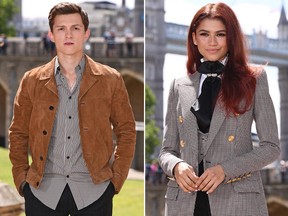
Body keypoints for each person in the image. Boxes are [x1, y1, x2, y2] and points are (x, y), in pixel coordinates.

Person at [9, 2, 136, 216]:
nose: (68, 34)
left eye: (75, 28)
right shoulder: (31, 80)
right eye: (61, 29)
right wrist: (22, 180)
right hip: (42, 193)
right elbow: (18, 133)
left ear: (86, 33)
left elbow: (126, 130)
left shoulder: (110, 79)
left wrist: (115, 180)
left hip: (95, 193)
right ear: (51, 35)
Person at [158, 2, 280, 216]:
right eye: (204, 34)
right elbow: (167, 151)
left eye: (220, 34)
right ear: (194, 38)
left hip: (237, 203)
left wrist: (224, 170)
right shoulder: (179, 85)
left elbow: (271, 147)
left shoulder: (254, 80)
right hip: (186, 202)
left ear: (231, 37)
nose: (212, 42)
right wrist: (177, 167)